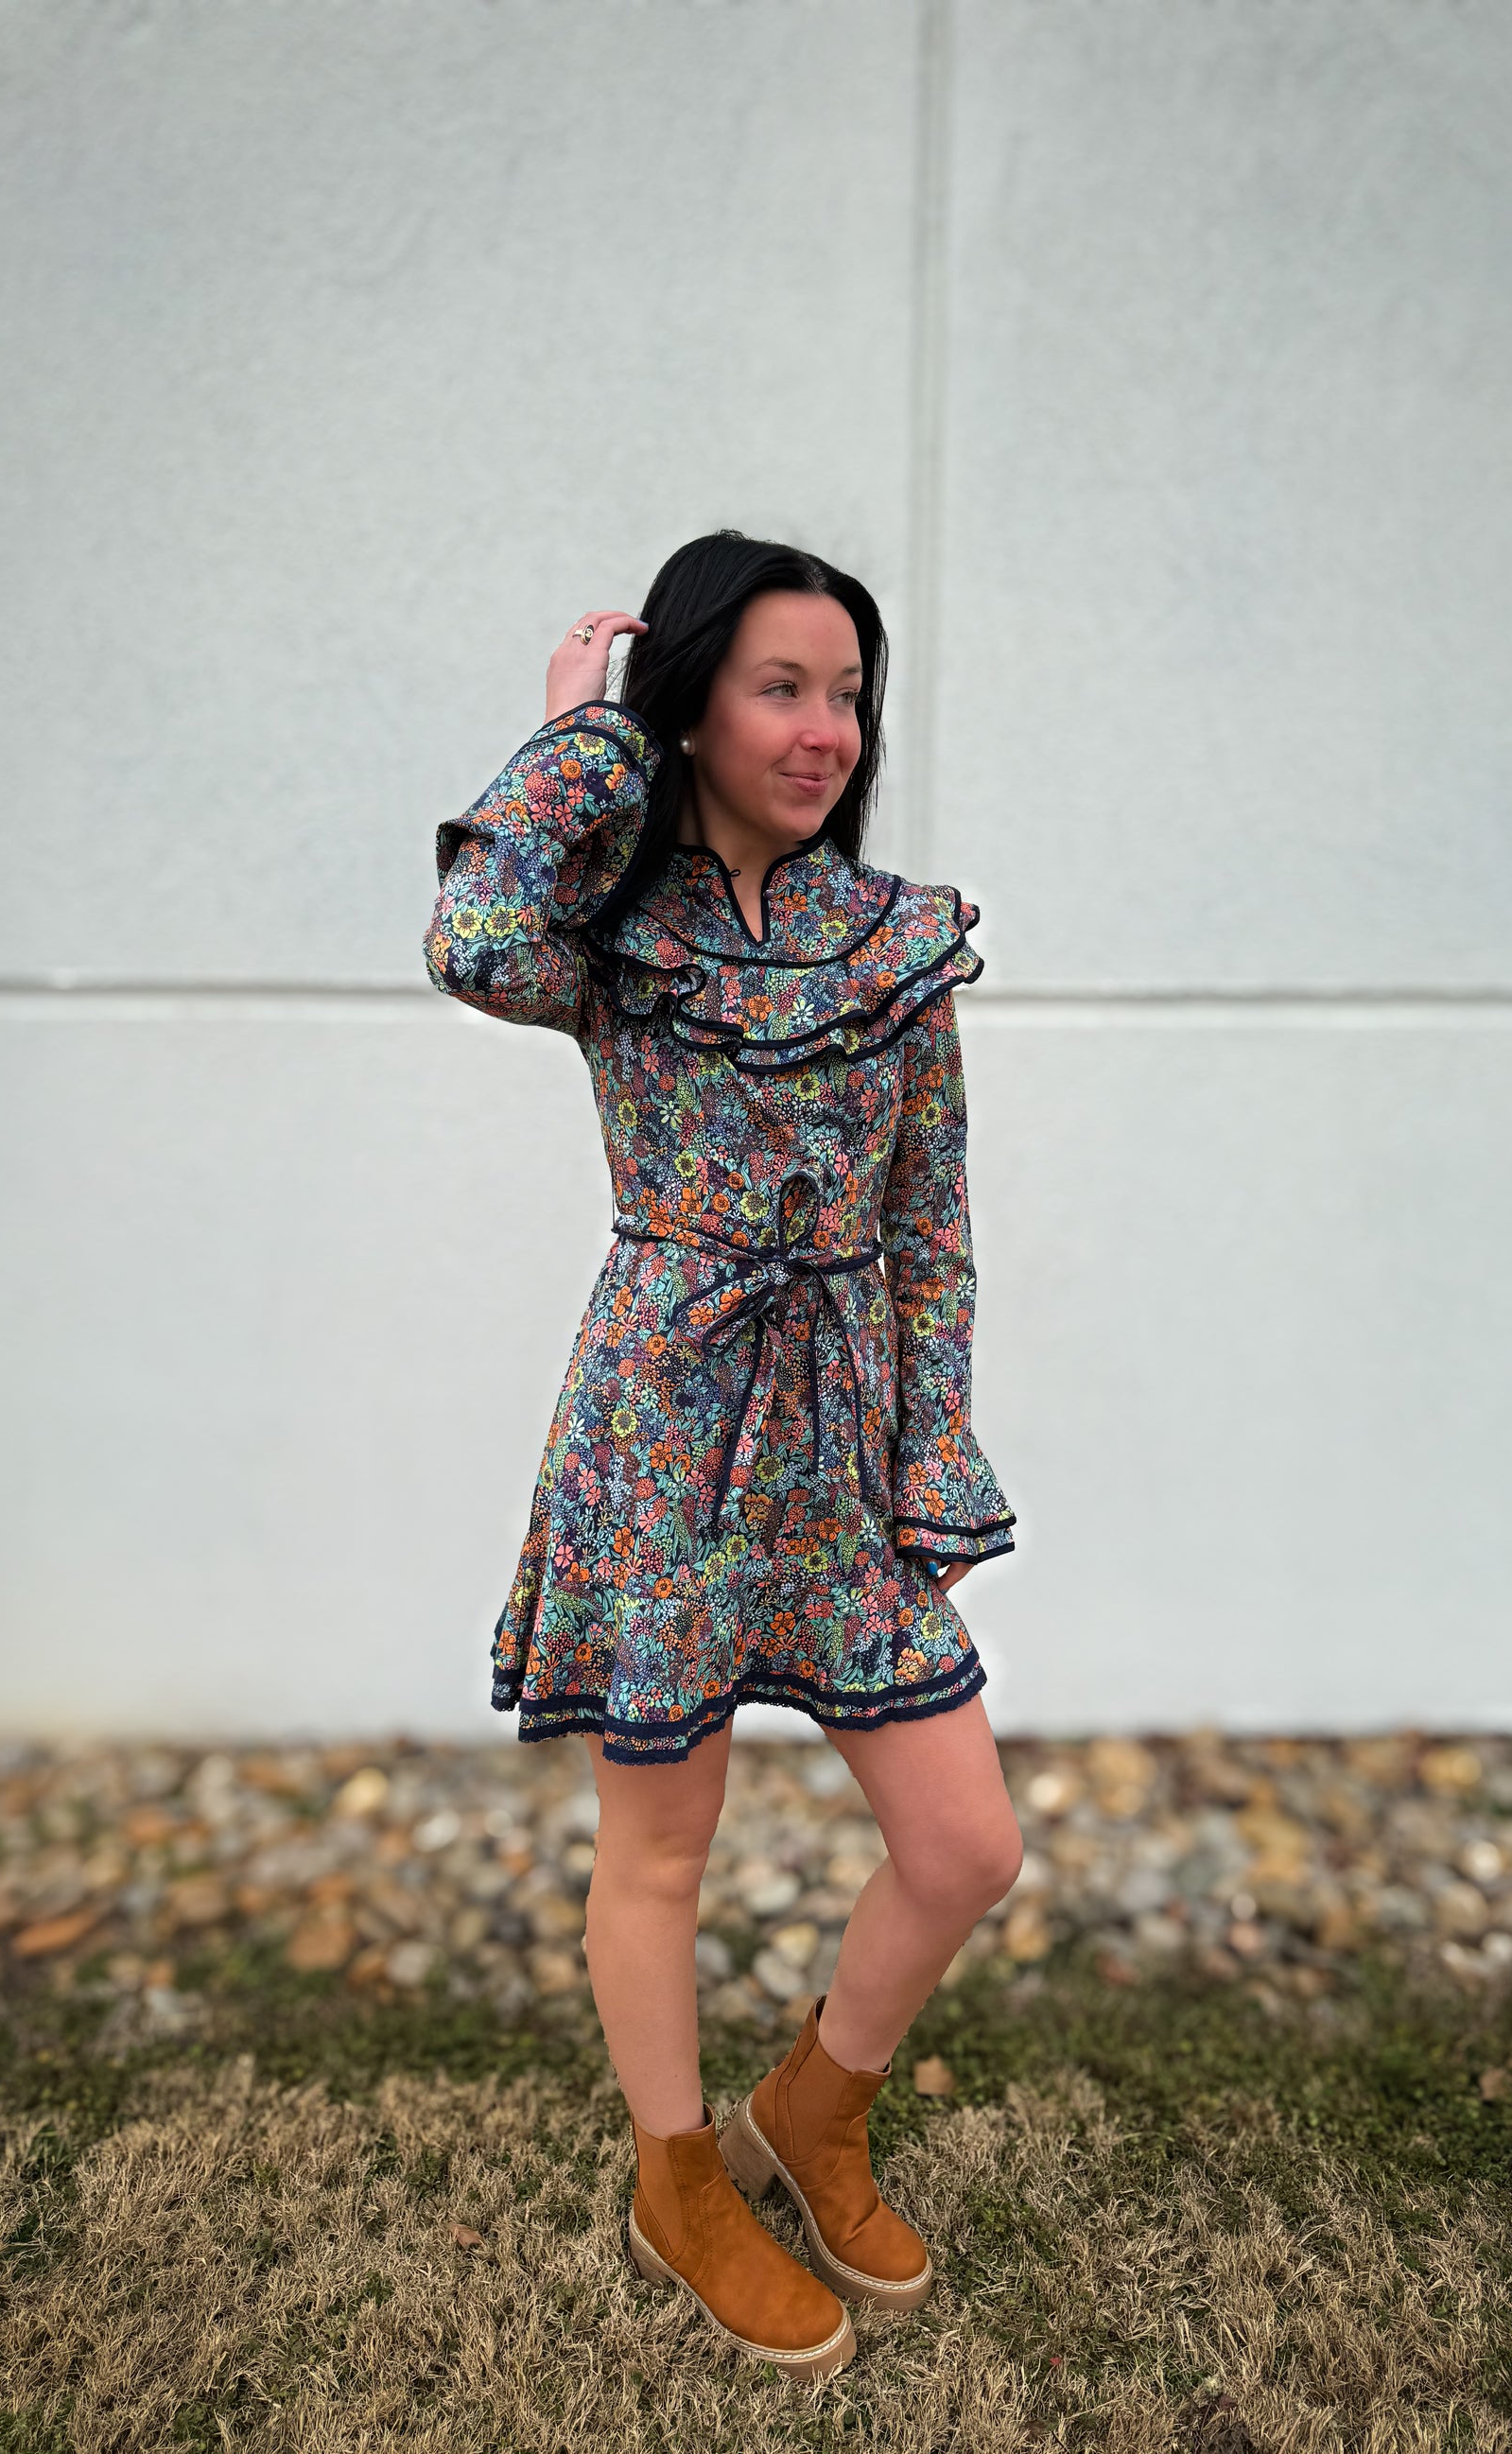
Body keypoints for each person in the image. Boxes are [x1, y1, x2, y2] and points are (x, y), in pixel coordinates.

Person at [422, 530, 1021, 2380]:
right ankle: (676, 2173)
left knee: (964, 1839)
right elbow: (474, 935)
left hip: (843, 1430)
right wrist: (583, 747)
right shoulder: (611, 932)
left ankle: (810, 2109)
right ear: (689, 705)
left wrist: (936, 1444)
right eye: (780, 684)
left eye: (847, 692)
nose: (826, 725)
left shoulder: (893, 938)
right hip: (666, 1423)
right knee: (660, 1840)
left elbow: (931, 1219)